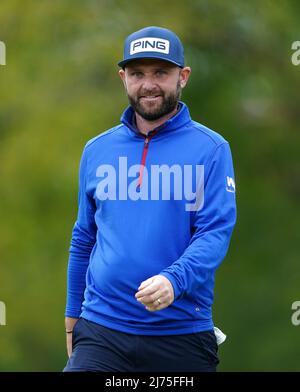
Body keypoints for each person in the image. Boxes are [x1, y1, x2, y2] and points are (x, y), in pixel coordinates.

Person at [63, 26, 237, 372]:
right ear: (123, 77)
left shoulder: (211, 149)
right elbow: (84, 237)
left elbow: (214, 233)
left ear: (182, 77)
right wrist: (72, 320)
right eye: (137, 74)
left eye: (161, 72)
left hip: (181, 333)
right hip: (102, 331)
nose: (149, 84)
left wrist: (174, 279)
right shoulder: (97, 150)